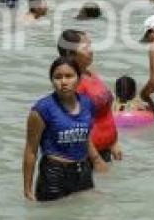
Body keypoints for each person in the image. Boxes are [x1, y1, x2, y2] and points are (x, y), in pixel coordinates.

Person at [22, 56, 105, 202]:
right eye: (58, 77)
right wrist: (27, 189)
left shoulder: (87, 104)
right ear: (52, 81)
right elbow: (30, 151)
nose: (63, 82)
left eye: (69, 76)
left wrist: (97, 159)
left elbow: (85, 136)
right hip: (54, 175)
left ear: (79, 79)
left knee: (85, 216)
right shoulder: (42, 109)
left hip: (83, 171)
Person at [57, 30, 120, 167]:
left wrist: (114, 142)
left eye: (90, 45)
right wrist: (96, 159)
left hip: (104, 151)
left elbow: (106, 113)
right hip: (87, 157)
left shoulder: (91, 74)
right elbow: (76, 126)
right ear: (70, 53)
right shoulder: (72, 83)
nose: (91, 50)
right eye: (86, 47)